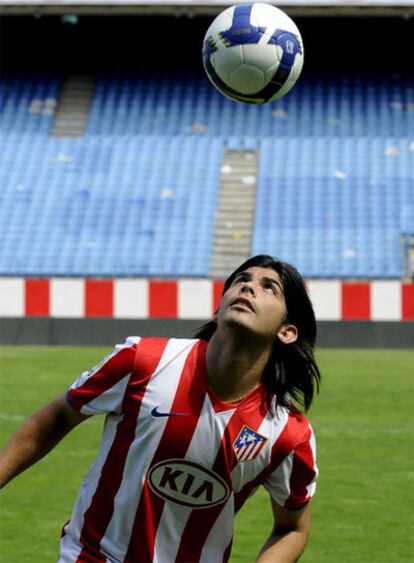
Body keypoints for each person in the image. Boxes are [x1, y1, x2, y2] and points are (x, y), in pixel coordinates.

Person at [0, 254, 321, 563]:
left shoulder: (288, 434)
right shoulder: (143, 360)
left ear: (287, 331)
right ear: (216, 311)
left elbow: (292, 527)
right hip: (92, 556)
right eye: (241, 279)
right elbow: (60, 414)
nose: (248, 287)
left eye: (269, 287)